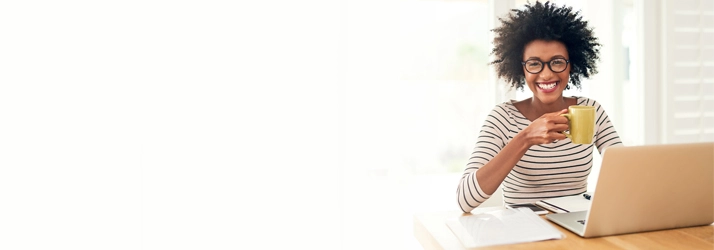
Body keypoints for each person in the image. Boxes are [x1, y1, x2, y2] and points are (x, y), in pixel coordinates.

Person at [457, 1, 623, 213]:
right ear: (522, 69)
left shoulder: (591, 110)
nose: (546, 74)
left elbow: (627, 174)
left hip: (578, 230)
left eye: (557, 62)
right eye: (534, 63)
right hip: (524, 232)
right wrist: (525, 138)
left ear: (571, 65)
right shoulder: (503, 118)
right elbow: (464, 200)